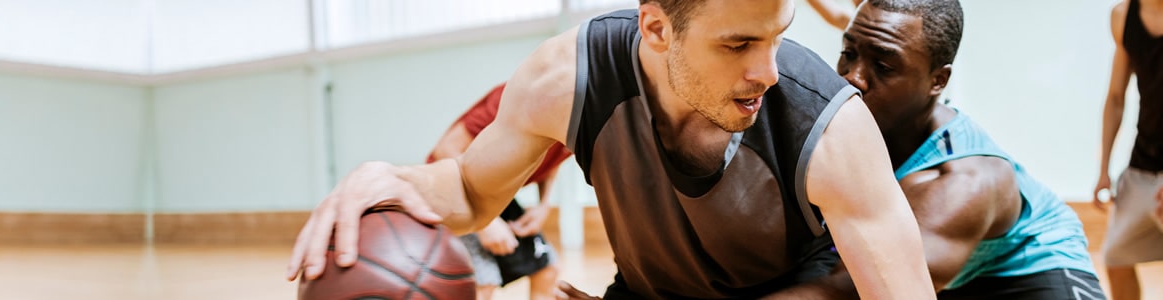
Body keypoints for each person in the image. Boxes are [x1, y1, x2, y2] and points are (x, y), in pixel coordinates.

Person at [287, 1, 936, 298]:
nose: (767, 70)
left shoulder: (828, 125)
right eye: (738, 45)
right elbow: (468, 192)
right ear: (656, 27)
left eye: (776, 37)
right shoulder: (566, 77)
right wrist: (388, 176)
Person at [762, 1, 1106, 299]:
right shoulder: (848, 122)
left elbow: (854, 289)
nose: (854, 78)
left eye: (883, 67)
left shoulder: (961, 184)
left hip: (1033, 273)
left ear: (938, 81)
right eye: (848, 54)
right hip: (952, 274)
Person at [425, 83, 566, 300]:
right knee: (483, 282)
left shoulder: (582, 117)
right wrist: (486, 223)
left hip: (493, 190)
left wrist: (543, 204)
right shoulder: (516, 98)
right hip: (451, 186)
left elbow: (554, 154)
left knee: (546, 271)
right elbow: (446, 150)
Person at [1091, 0, 1163, 299]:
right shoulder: (1123, 16)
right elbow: (1116, 97)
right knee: (1116, 256)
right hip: (1143, 161)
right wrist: (1103, 170)